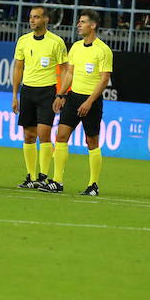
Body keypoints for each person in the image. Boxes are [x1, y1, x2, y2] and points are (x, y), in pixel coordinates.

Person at [41, 10, 112, 196]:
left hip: (92, 101)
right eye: (79, 22)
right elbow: (69, 74)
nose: (78, 25)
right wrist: (61, 94)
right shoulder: (75, 47)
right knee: (61, 135)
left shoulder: (103, 50)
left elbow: (104, 80)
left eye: (83, 22)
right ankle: (57, 181)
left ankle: (93, 185)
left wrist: (89, 101)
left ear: (93, 25)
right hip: (73, 98)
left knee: (92, 141)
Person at [12, 6, 68, 189]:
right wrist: (14, 94)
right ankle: (31, 176)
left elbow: (65, 70)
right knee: (28, 135)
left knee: (44, 134)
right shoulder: (23, 41)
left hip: (47, 92)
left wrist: (62, 94)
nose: (32, 20)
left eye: (36, 17)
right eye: (30, 17)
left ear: (46, 20)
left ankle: (43, 177)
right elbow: (18, 67)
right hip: (27, 91)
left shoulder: (56, 42)